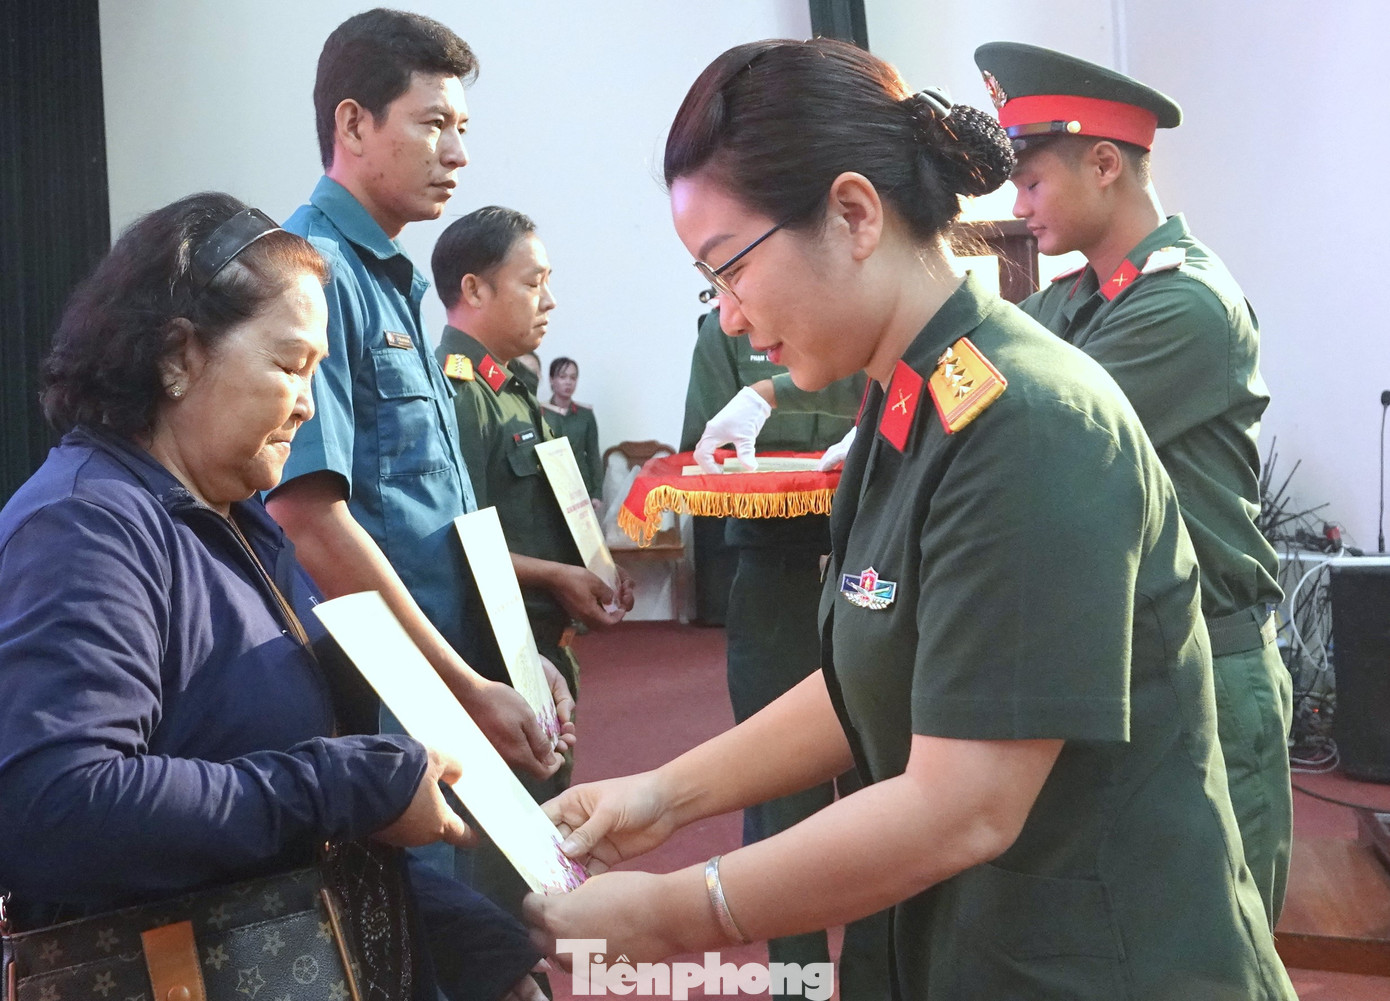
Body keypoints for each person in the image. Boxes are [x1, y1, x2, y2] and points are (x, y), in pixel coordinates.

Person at [523, 38, 1296, 1000]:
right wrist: (663, 793)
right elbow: (871, 674)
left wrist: (675, 910)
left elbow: (961, 806)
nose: (725, 315)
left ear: (853, 214)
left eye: (730, 268)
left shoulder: (1028, 423)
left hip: (1102, 957)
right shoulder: (910, 401)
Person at [0, 193, 543, 1001]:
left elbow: (288, 828)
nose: (309, 404)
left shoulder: (236, 521)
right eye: (291, 367)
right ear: (178, 355)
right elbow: (58, 809)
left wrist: (479, 949)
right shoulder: (87, 525)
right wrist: (344, 784)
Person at [974, 41, 1291, 927]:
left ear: (1105, 163)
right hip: (1135, 657)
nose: (1018, 204)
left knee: (1219, 942)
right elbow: (968, 356)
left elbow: (1021, 430)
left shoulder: (1183, 303)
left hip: (1215, 666)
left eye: (1032, 181)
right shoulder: (1078, 299)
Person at [261, 9, 572, 873]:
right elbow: (309, 519)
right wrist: (463, 685)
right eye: (434, 124)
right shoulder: (312, 275)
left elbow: (444, 514)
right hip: (392, 699)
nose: (459, 154)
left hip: (446, 677)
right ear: (353, 123)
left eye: (462, 128)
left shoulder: (391, 280)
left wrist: (510, 653)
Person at [430, 207, 634, 922]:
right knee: (502, 871)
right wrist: (556, 578)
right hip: (497, 663)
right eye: (534, 283)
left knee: (542, 852)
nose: (549, 302)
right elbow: (460, 542)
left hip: (541, 655)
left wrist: (591, 571)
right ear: (475, 290)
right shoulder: (461, 392)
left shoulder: (509, 388)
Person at [679, 306, 887, 999]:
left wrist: (781, 398)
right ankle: (798, 986)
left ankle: (878, 980)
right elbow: (700, 452)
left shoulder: (863, 310)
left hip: (874, 572)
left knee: (884, 790)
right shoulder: (724, 334)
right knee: (781, 806)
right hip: (777, 581)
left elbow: (896, 397)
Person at [540, 357, 603, 504]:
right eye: (562, 377)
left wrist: (597, 493)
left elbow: (593, 454)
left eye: (573, 378)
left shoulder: (585, 415)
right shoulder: (541, 413)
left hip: (580, 486)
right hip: (549, 489)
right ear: (551, 379)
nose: (568, 382)